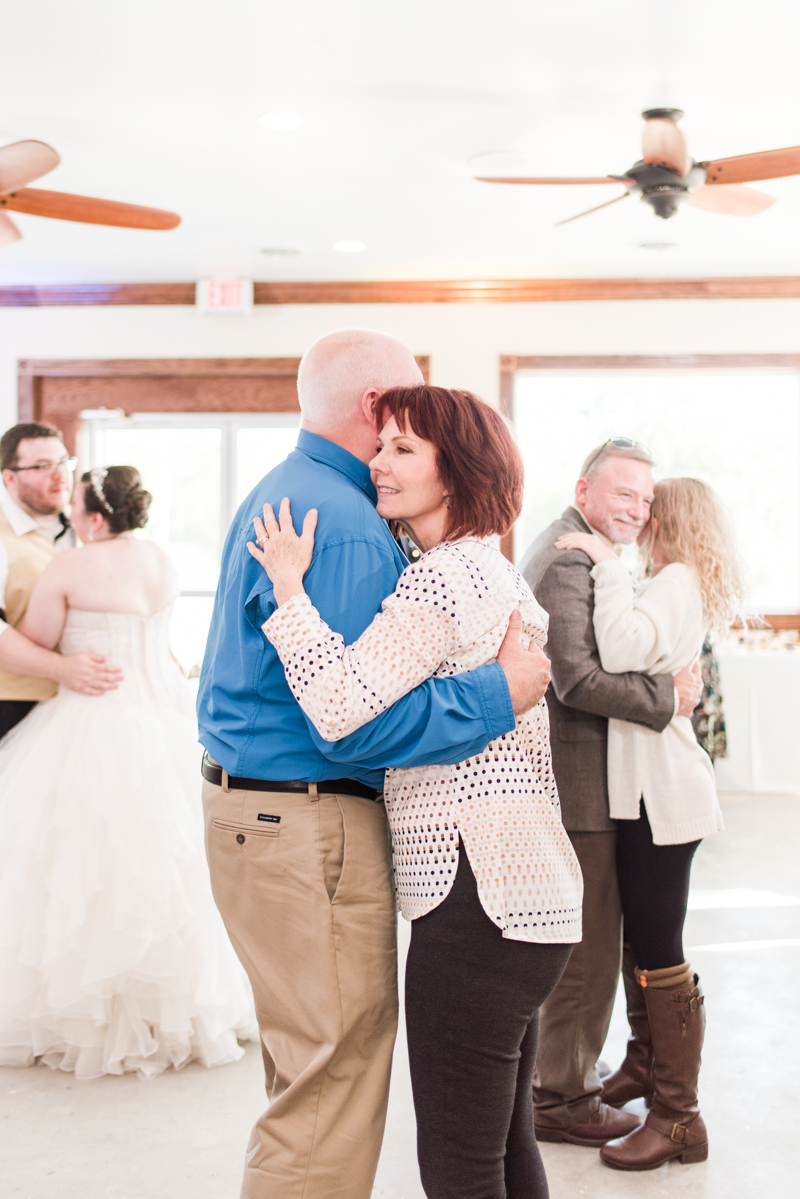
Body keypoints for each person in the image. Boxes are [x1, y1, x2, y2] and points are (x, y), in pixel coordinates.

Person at [197, 330, 551, 1199]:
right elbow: (350, 724)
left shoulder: (310, 500)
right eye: (391, 433)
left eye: (410, 445)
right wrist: (499, 694)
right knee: (333, 1080)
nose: (390, 457)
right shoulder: (352, 524)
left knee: (316, 1071)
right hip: (309, 816)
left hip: (277, 812)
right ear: (375, 406)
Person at [0, 466, 255, 1080]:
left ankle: (79, 1013)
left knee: (75, 870)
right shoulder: (163, 561)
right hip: (161, 719)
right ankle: (175, 1010)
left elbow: (34, 640)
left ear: (92, 517)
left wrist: (62, 660)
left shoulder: (69, 565)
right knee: (167, 868)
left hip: (91, 719)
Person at [518, 439, 703, 1147]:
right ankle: (562, 1099)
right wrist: (671, 697)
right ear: (585, 490)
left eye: (646, 498)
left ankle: (570, 1069)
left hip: (595, 779)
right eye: (623, 493)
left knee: (588, 943)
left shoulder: (591, 551)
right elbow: (576, 680)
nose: (635, 508)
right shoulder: (571, 558)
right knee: (588, 951)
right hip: (580, 782)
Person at [555, 476, 743, 1170]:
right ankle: (644, 1064)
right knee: (643, 940)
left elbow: (622, 650)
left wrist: (605, 569)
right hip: (652, 795)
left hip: (666, 796)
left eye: (647, 510)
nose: (638, 519)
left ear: (668, 520)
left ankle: (679, 1115)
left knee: (660, 950)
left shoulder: (672, 581)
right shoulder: (674, 579)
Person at [0, 422, 121, 735]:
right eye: (42, 466)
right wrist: (62, 669)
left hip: (83, 707)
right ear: (9, 477)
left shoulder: (90, 525)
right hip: (13, 708)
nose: (60, 475)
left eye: (63, 462)